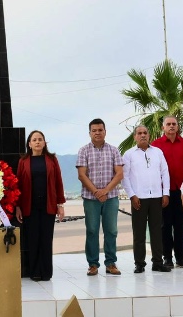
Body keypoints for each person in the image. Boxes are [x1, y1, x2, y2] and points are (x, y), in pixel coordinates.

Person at [15, 130, 66, 281]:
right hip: (29, 206)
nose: (37, 142)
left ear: (44, 143)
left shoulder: (52, 160)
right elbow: (18, 185)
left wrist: (60, 204)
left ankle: (46, 272)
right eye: (34, 140)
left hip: (48, 205)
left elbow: (58, 182)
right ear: (29, 144)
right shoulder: (23, 161)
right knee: (33, 239)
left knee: (46, 239)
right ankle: (35, 271)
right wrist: (18, 206)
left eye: (40, 139)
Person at [76, 118, 124, 276]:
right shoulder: (83, 151)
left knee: (111, 230)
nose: (97, 133)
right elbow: (82, 175)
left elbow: (119, 174)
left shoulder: (114, 150)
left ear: (105, 131)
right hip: (91, 198)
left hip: (111, 198)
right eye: (94, 130)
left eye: (100, 130)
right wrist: (96, 192)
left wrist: (105, 191)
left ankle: (111, 263)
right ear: (89, 133)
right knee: (92, 230)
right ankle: (93, 264)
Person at [121, 125, 170, 273]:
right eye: (139, 133)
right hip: (139, 198)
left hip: (156, 197)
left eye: (145, 133)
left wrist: (165, 193)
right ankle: (140, 264)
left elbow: (165, 172)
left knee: (157, 231)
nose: (142, 135)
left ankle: (157, 262)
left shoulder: (158, 152)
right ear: (135, 136)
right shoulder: (129, 155)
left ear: (149, 135)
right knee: (139, 232)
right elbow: (125, 177)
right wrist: (132, 195)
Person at [151, 116, 183, 269]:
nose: (171, 126)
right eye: (168, 124)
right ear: (163, 127)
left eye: (174, 124)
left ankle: (180, 258)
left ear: (178, 126)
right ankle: (167, 257)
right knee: (165, 226)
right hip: (164, 192)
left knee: (179, 225)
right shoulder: (155, 146)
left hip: (181, 192)